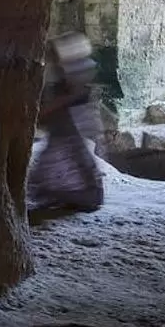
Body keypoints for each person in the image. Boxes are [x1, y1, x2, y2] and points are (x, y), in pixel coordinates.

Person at [27, 33, 106, 213]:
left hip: (68, 136)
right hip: (63, 136)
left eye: (53, 56)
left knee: (68, 166)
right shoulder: (63, 79)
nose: (50, 60)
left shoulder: (75, 80)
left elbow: (68, 105)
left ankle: (76, 194)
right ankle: (67, 193)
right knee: (54, 169)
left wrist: (45, 110)